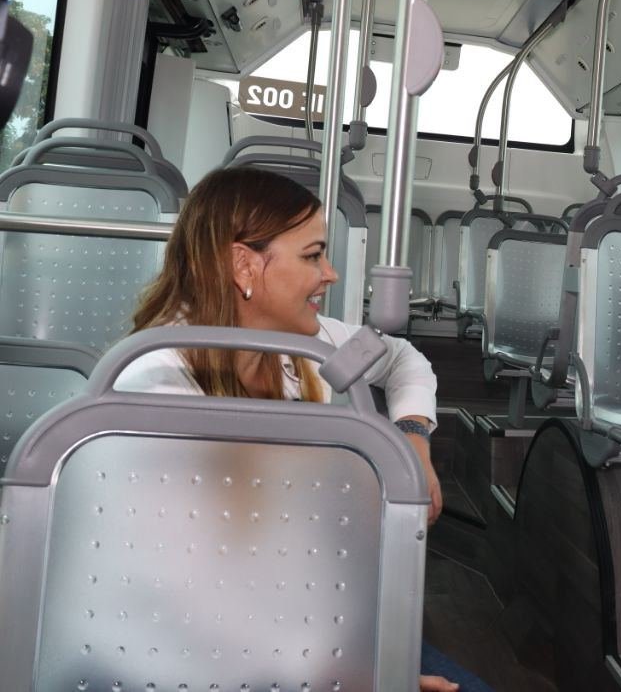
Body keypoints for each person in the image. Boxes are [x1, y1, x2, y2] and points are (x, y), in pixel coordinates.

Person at [115, 167, 490, 692]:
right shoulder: (156, 385)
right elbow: (183, 598)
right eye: (313, 256)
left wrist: (413, 440)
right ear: (243, 264)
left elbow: (403, 359)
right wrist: (356, 675)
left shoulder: (307, 346)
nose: (330, 274)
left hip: (306, 620)